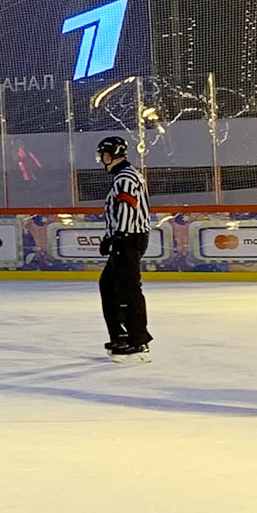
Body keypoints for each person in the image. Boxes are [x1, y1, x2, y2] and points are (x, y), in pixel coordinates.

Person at [96, 136, 154, 361]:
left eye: (103, 155)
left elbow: (127, 208)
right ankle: (121, 335)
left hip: (128, 239)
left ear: (111, 155)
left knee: (128, 289)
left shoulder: (125, 178)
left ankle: (137, 340)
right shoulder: (126, 175)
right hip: (126, 238)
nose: (101, 160)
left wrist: (118, 236)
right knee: (109, 285)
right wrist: (110, 237)